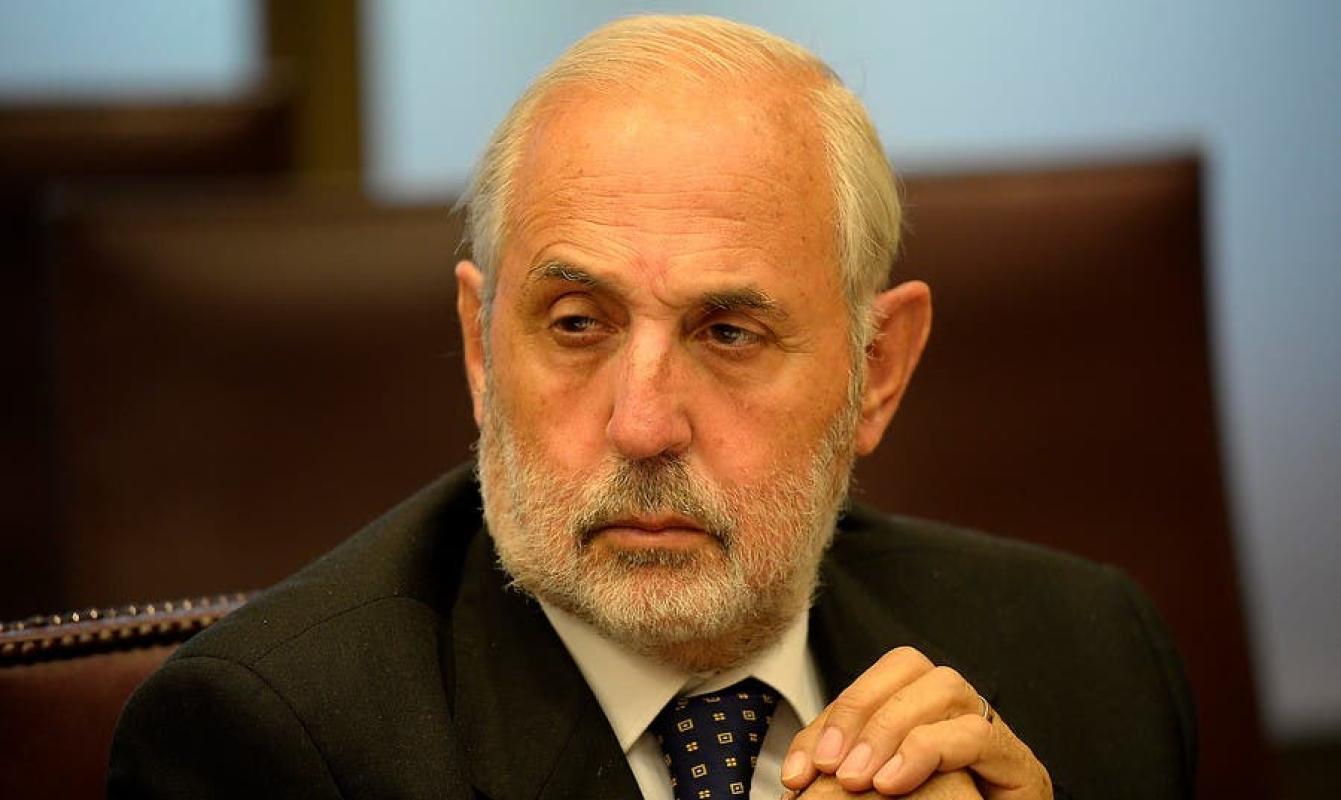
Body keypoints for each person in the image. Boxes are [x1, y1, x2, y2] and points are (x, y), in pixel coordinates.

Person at [108, 15, 1195, 800]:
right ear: (482, 351)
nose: (641, 425)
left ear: (876, 371)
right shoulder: (276, 744)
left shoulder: (1086, 659)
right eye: (577, 323)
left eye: (728, 333)